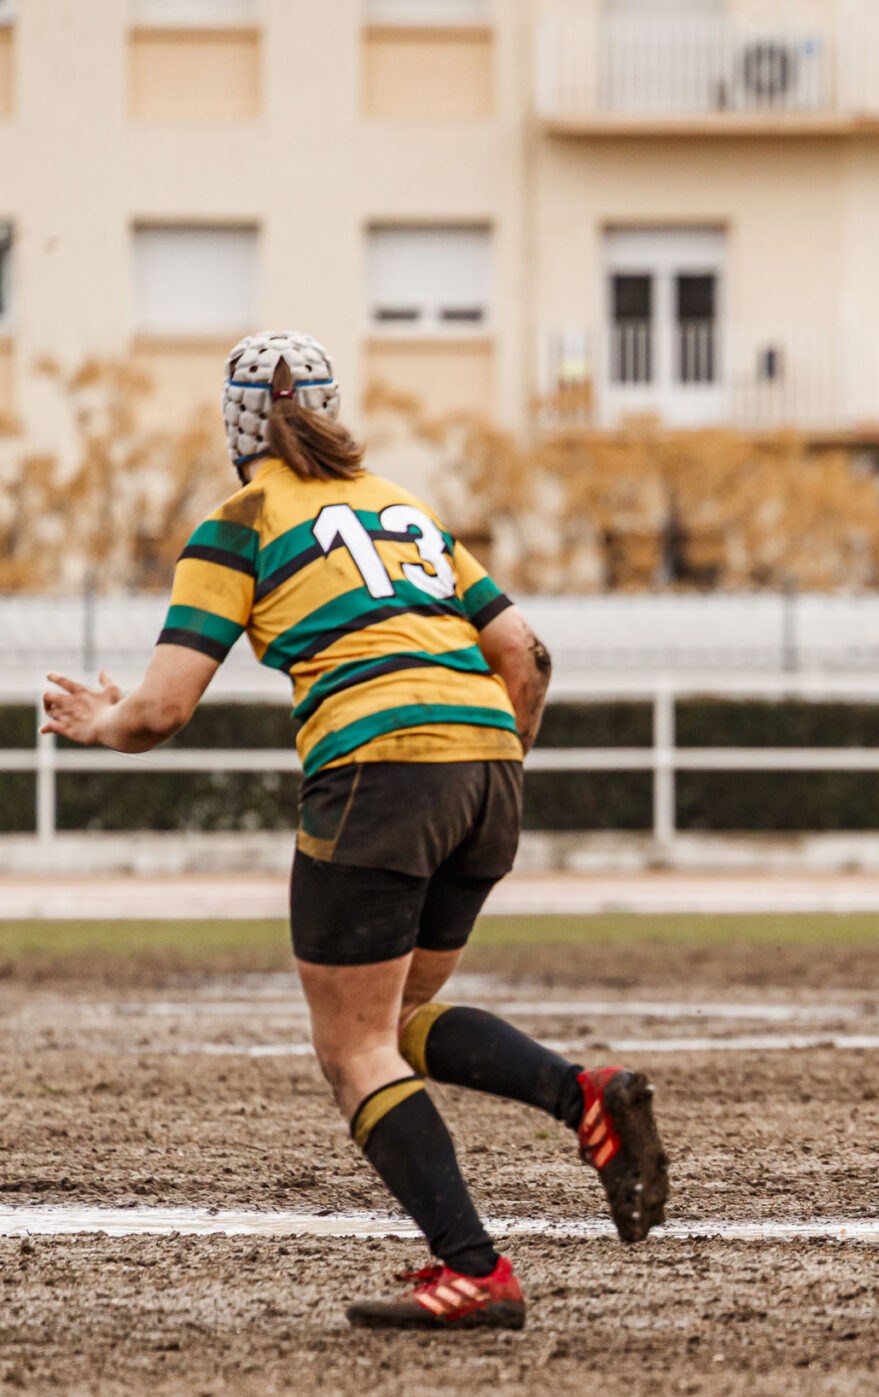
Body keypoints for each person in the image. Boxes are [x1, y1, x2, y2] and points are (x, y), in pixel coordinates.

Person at [39, 331, 669, 1331]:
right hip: (487, 769)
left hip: (381, 773)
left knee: (354, 1051)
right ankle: (579, 1095)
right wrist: (491, 760)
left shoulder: (239, 523)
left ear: (234, 427)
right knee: (407, 1016)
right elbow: (527, 655)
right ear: (333, 411)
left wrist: (98, 723)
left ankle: (475, 1271)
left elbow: (160, 713)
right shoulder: (403, 508)